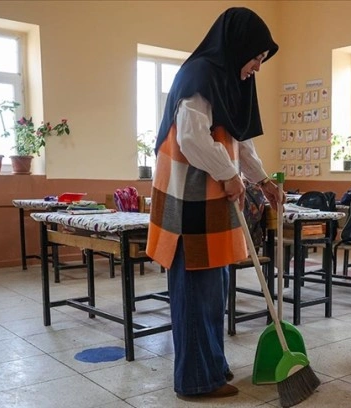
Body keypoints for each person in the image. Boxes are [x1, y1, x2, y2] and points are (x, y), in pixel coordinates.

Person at [146, 7, 281, 399]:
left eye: (262, 59)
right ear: (238, 46)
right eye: (256, 57)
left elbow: (239, 140)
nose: (258, 66)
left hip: (212, 202)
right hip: (189, 202)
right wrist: (230, 176)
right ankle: (195, 380)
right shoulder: (200, 74)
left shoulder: (230, 81)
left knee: (213, 288)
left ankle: (211, 366)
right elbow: (191, 138)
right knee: (195, 288)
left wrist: (263, 180)